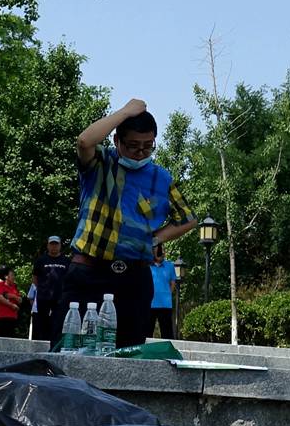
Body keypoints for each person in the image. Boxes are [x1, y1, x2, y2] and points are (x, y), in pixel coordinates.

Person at [67, 100, 199, 348]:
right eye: (133, 146)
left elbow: (188, 219)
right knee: (73, 347)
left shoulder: (160, 177)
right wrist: (126, 111)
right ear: (117, 141)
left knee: (129, 354)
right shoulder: (101, 163)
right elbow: (84, 141)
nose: (140, 153)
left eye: (148, 146)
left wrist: (154, 238)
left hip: (134, 278)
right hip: (89, 272)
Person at [31, 236, 73, 346]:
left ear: (60, 246)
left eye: (56, 244)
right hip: (43, 297)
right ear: (48, 245)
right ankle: (42, 344)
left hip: (60, 297)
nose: (54, 246)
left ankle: (55, 344)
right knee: (42, 322)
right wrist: (40, 289)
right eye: (52, 244)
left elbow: (70, 278)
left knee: (58, 321)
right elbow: (35, 277)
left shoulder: (66, 261)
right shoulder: (41, 260)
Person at [149, 242, 180, 340]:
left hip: (165, 304)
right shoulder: (147, 265)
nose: (162, 253)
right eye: (159, 251)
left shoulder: (170, 265)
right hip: (149, 303)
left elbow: (173, 283)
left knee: (167, 333)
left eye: (163, 251)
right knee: (146, 332)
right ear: (153, 252)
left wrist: (167, 294)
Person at [0, 264, 23, 338]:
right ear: (6, 276)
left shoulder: (14, 286)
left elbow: (19, 299)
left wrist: (12, 296)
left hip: (12, 317)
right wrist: (10, 302)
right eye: (12, 275)